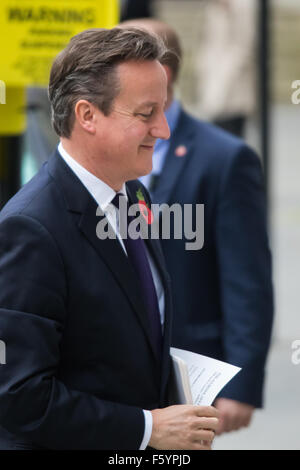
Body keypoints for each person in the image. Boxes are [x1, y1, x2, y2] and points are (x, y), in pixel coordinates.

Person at [0, 27, 219, 450]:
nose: (164, 129)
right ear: (87, 116)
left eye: (164, 110)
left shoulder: (134, 192)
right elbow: (18, 397)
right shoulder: (29, 230)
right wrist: (149, 429)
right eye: (145, 113)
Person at [120, 19, 274, 435]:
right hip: (115, 375)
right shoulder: (106, 147)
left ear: (161, 74)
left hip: (190, 371)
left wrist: (242, 383)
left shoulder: (225, 158)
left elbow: (247, 279)